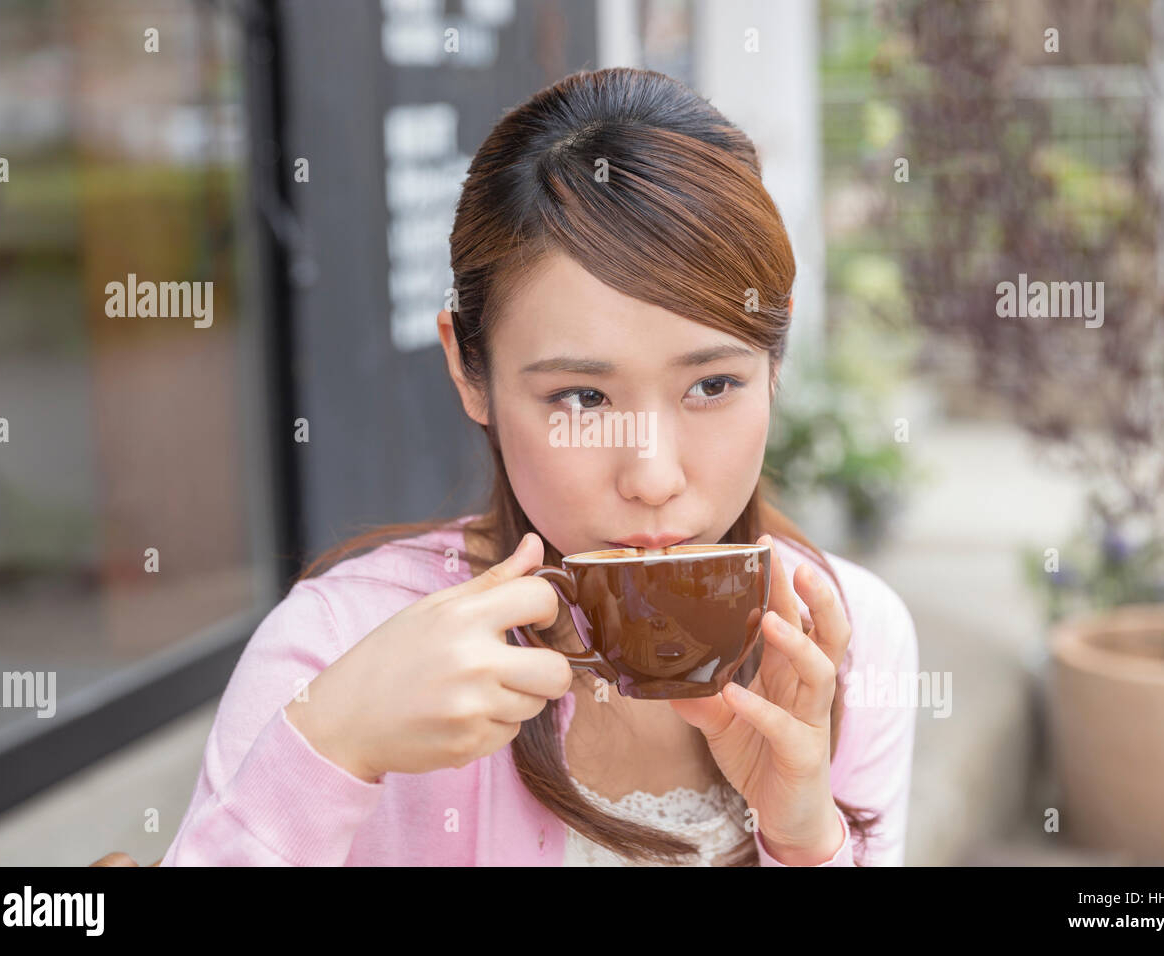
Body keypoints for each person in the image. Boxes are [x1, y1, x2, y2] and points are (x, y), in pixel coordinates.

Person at [150, 66, 918, 867]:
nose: (653, 477)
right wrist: (332, 748)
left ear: (775, 361)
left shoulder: (846, 639)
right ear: (468, 371)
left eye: (713, 384)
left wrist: (806, 842)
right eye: (582, 397)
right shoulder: (336, 648)